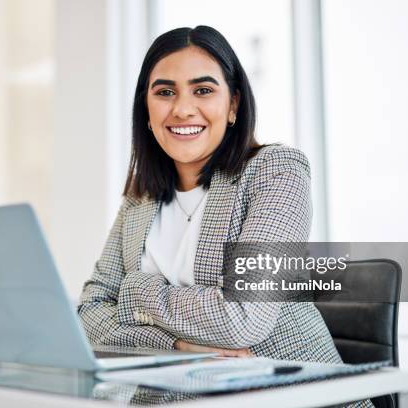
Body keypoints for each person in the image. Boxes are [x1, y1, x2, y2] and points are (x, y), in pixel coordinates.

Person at [78, 25, 341, 364]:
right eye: (164, 92)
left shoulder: (276, 170)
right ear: (146, 110)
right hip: (176, 394)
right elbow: (88, 316)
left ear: (233, 104)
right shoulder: (139, 197)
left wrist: (136, 291)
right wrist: (176, 347)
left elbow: (242, 319)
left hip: (293, 393)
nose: (183, 110)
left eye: (202, 90)